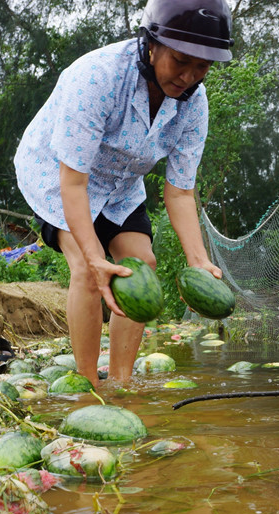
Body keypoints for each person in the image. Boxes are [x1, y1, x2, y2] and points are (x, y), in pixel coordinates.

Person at [14, 0, 233, 386]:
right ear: (152, 45)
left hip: (120, 184)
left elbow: (180, 194)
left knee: (142, 263)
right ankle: (87, 387)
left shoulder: (194, 105)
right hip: (59, 174)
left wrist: (198, 260)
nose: (188, 76)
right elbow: (73, 183)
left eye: (202, 67)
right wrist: (95, 256)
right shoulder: (98, 77)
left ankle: (121, 383)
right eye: (180, 60)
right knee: (88, 269)